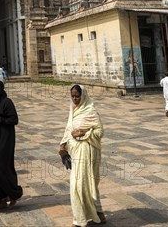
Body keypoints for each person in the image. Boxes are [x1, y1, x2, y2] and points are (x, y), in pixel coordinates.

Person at [59, 84, 106, 227]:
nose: (74, 99)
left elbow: (100, 132)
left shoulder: (90, 110)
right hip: (75, 152)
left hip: (88, 151)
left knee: (79, 185)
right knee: (86, 185)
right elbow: (69, 129)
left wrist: (84, 133)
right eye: (72, 96)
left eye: (77, 96)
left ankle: (79, 220)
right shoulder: (73, 110)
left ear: (83, 96)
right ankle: (98, 213)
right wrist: (62, 145)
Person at [0, 80, 23, 210]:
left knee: (2, 168)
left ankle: (13, 194)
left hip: (6, 141)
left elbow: (14, 120)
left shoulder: (7, 102)